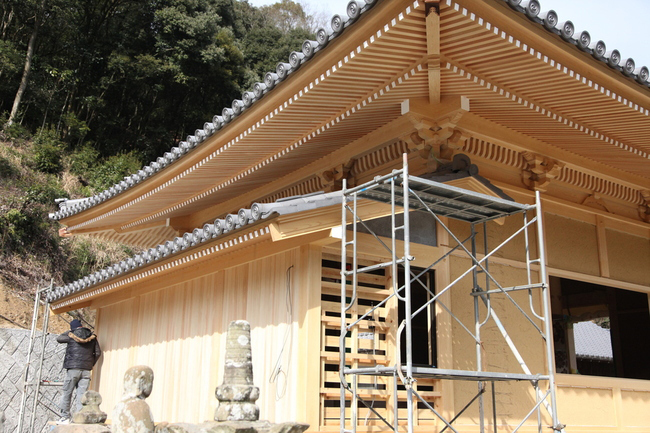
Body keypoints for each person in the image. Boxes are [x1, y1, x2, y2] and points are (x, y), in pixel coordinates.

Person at [57, 319, 102, 423]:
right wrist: (90, 364)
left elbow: (59, 339)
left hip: (73, 369)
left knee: (67, 392)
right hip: (86, 370)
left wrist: (69, 331)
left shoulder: (71, 335)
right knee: (82, 395)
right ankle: (78, 419)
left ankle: (65, 417)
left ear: (72, 327)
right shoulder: (92, 337)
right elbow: (98, 352)